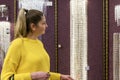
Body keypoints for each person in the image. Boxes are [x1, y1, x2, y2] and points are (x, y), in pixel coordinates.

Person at [1, 9, 73, 80]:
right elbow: (6, 77)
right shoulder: (17, 44)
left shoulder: (39, 43)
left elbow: (42, 73)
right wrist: (32, 76)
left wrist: (59, 77)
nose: (46, 26)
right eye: (43, 23)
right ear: (33, 26)